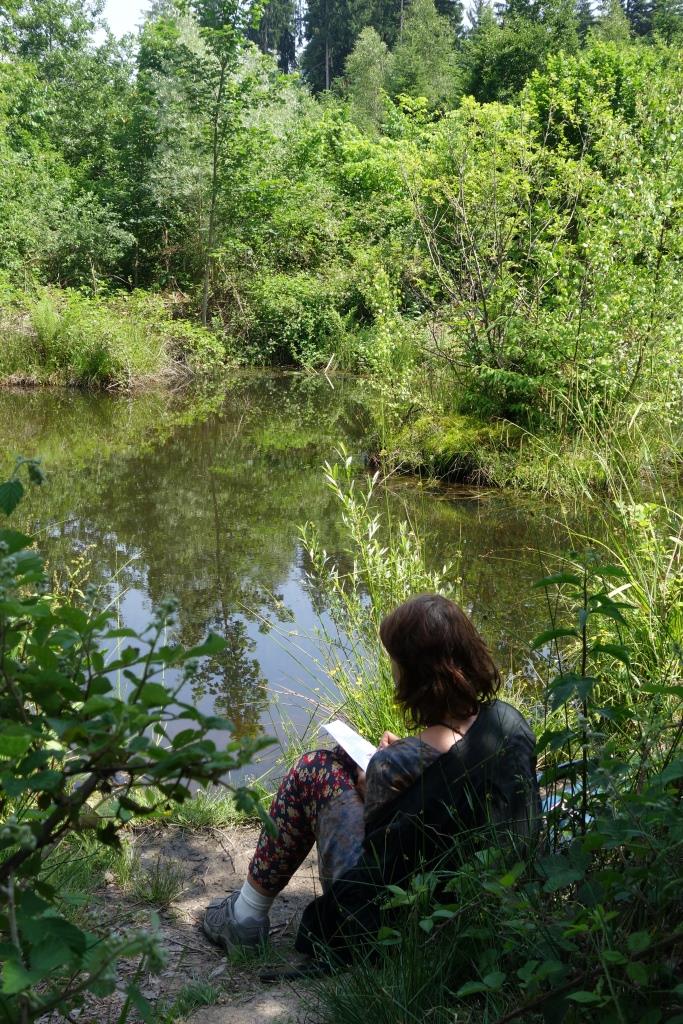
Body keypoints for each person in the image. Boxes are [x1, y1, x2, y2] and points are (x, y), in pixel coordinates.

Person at [202, 593, 540, 955]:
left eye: (395, 660)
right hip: (479, 898)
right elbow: (450, 764)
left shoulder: (393, 765)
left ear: (416, 674)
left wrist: (373, 778)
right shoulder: (508, 723)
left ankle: (245, 917)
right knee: (340, 759)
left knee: (314, 770)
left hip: (390, 917)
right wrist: (400, 755)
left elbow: (378, 834)